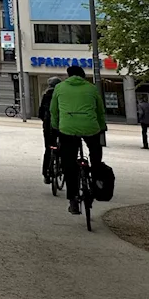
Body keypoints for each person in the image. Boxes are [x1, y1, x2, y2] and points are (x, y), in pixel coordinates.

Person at [51, 64, 107, 215]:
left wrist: (56, 126)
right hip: (90, 127)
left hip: (67, 128)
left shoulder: (60, 88)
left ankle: (73, 199)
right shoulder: (91, 88)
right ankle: (96, 179)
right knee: (96, 154)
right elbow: (100, 110)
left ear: (68, 75)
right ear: (83, 75)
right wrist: (101, 126)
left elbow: (53, 110)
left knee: (69, 163)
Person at [38, 77, 62, 181]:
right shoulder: (61, 95)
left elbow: (41, 113)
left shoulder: (46, 95)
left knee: (48, 149)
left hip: (48, 125)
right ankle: (62, 168)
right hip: (61, 124)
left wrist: (45, 120)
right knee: (63, 147)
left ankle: (46, 173)